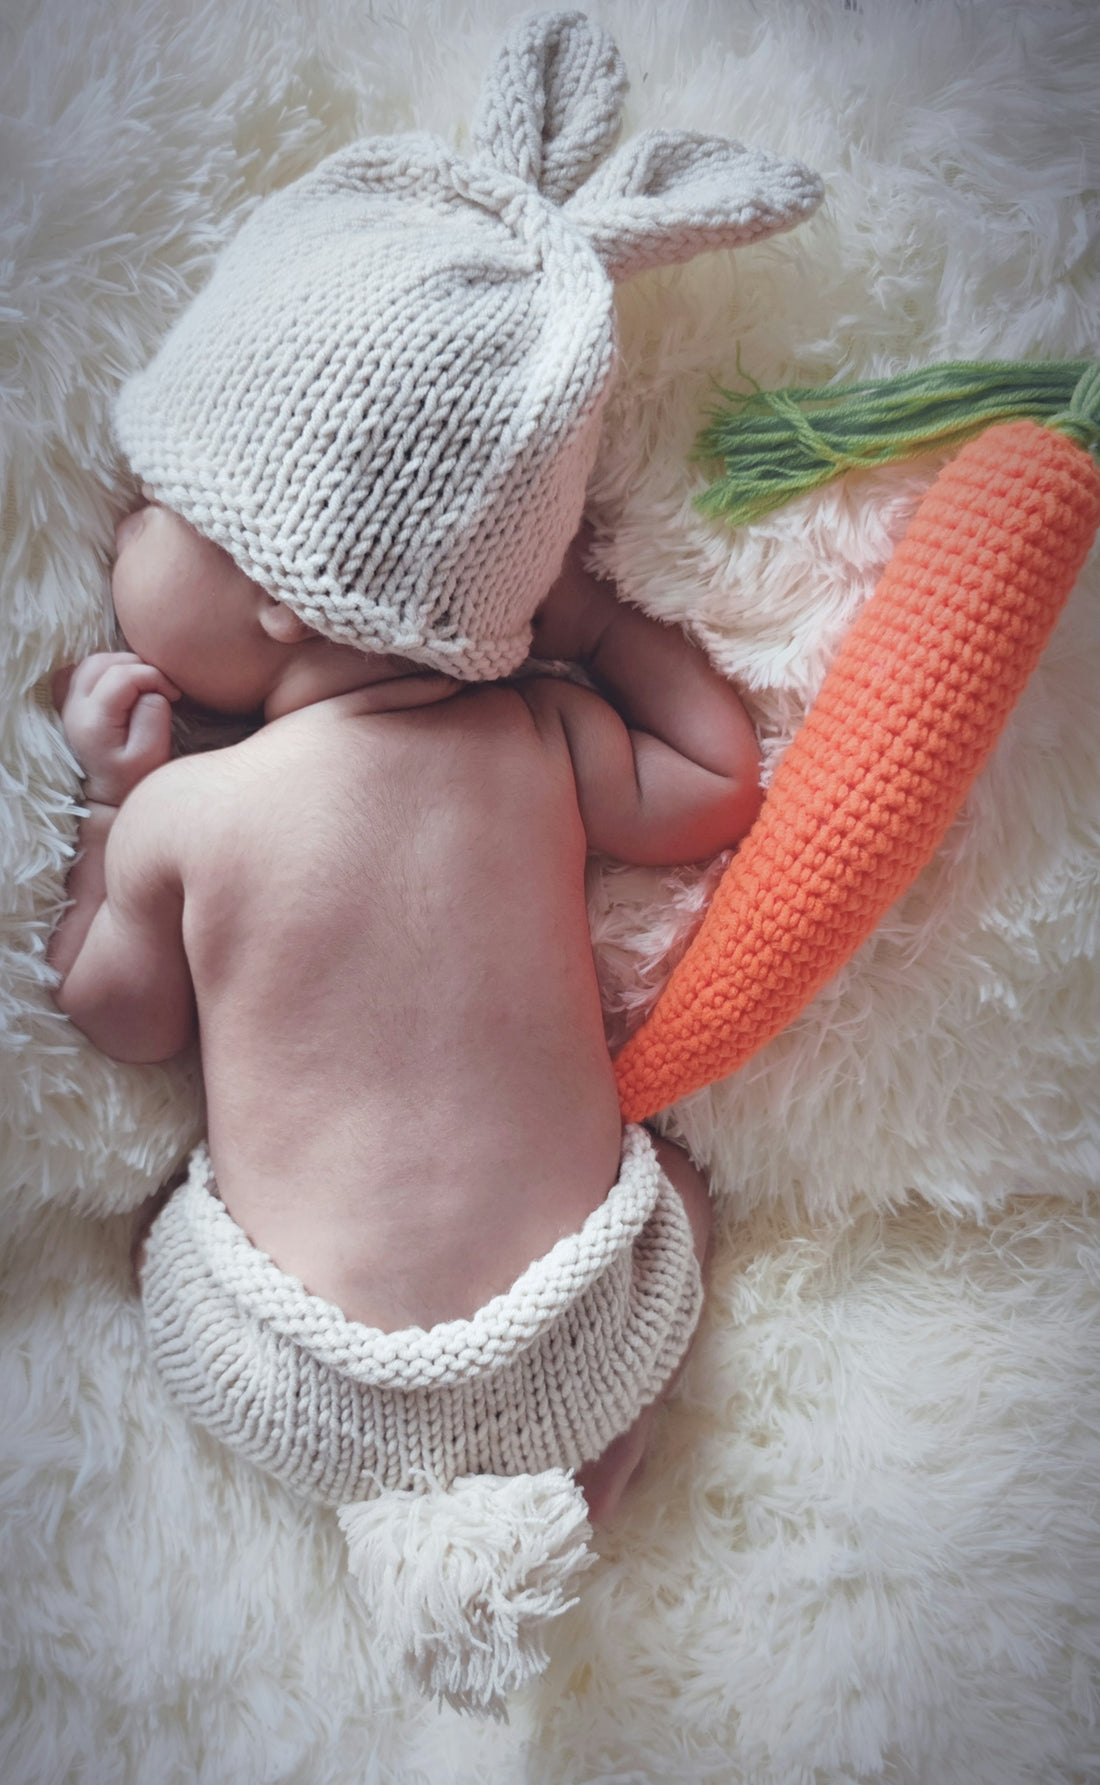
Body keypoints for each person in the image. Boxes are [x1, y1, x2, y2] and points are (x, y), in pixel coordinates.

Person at [46, 9, 822, 1716]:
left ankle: (415, 1516)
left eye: (152, 512)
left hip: (285, 1370)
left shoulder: (195, 806)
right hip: (566, 1337)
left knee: (160, 1237)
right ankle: (573, 1471)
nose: (117, 545)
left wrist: (109, 803)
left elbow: (115, 1017)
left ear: (273, 582)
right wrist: (598, 621)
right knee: (681, 1188)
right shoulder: (535, 742)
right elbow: (714, 788)